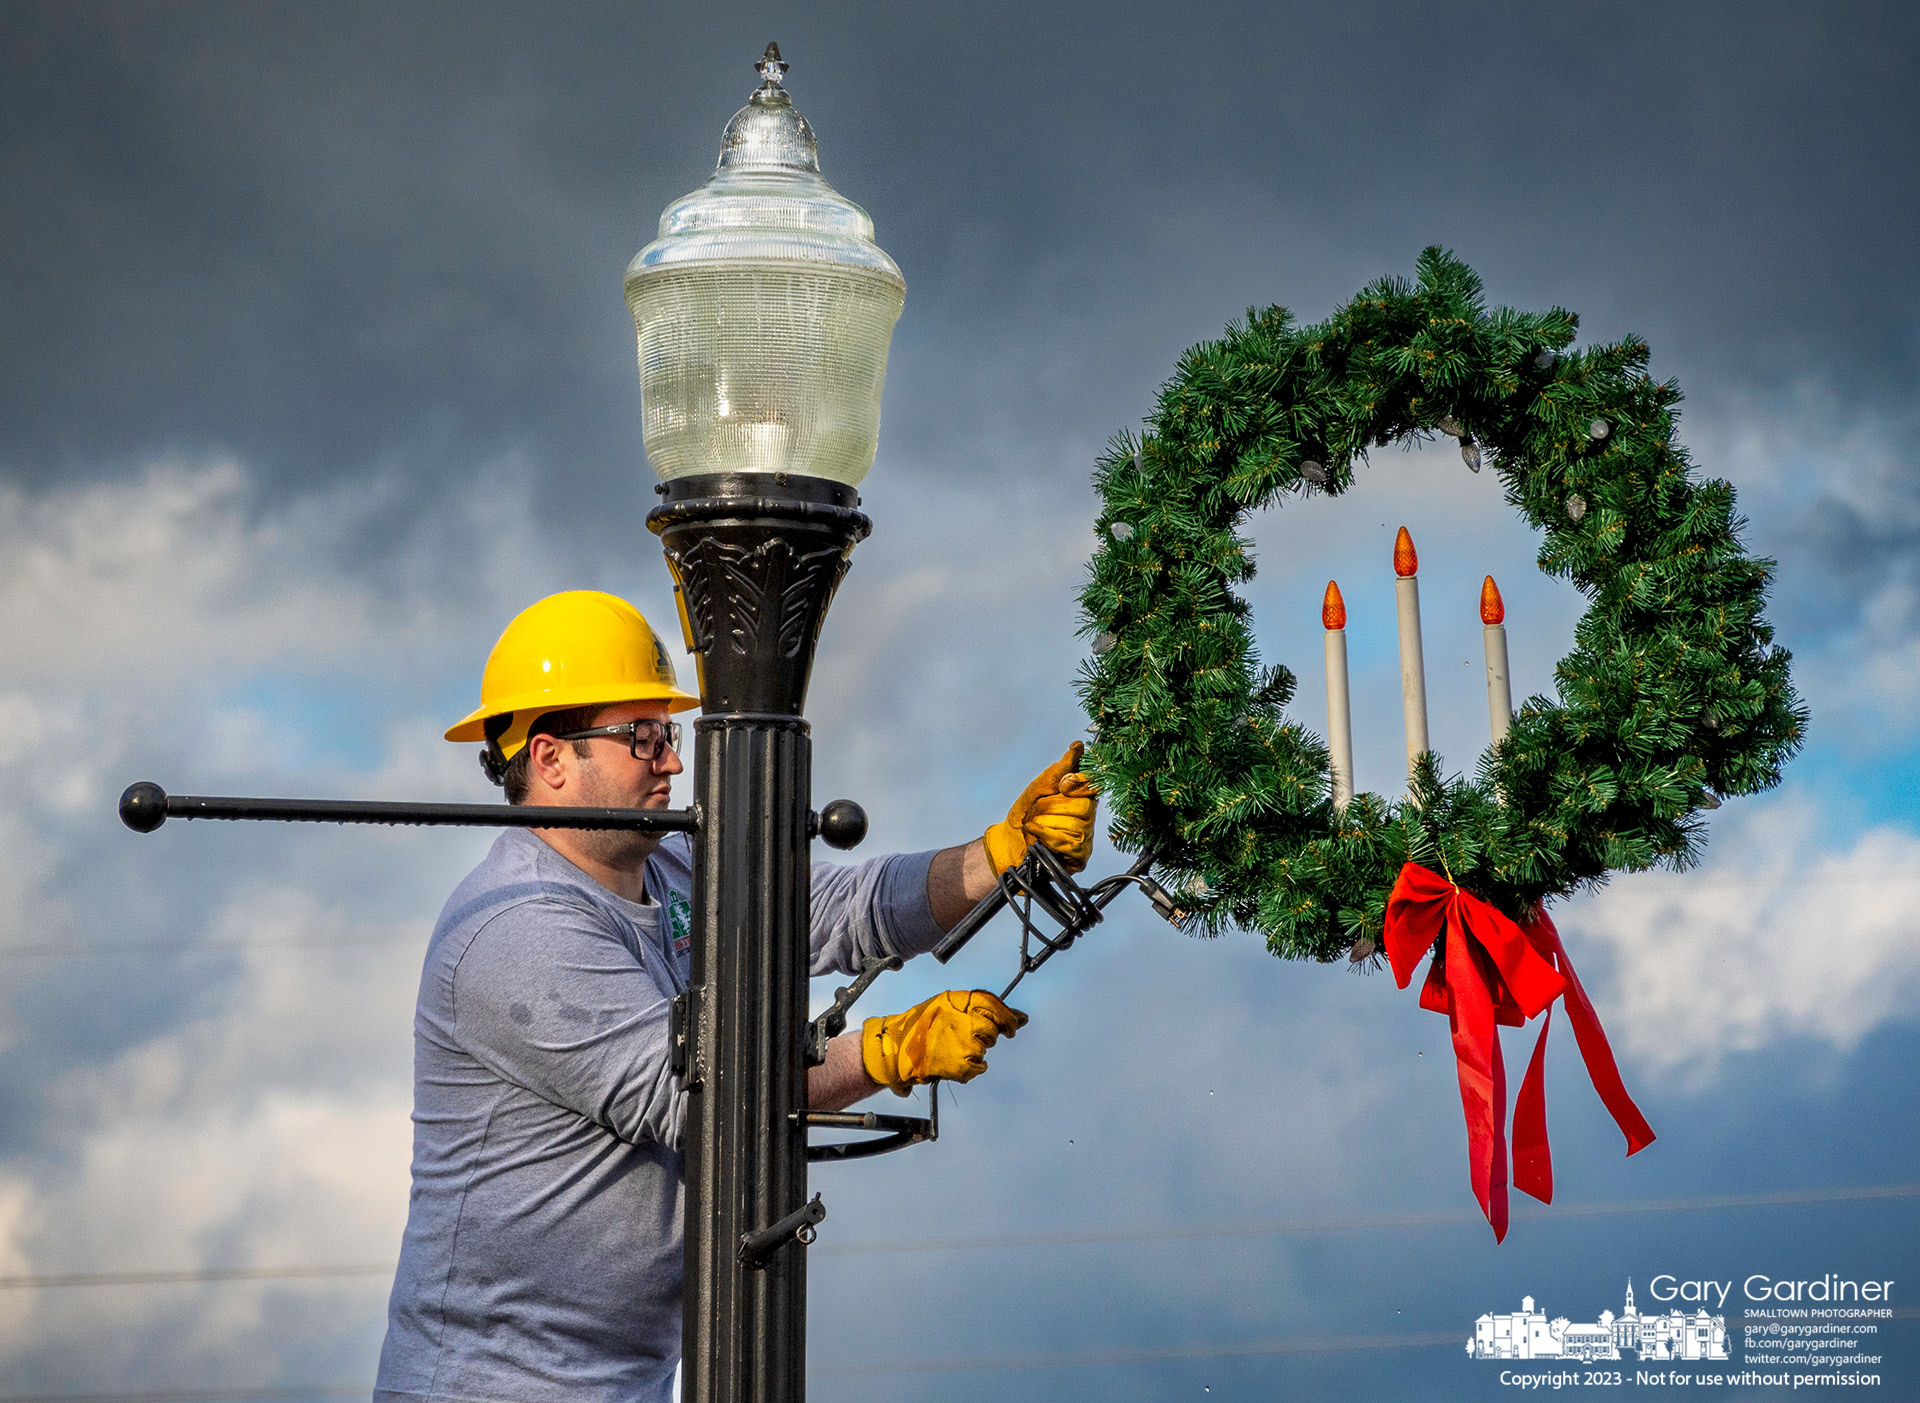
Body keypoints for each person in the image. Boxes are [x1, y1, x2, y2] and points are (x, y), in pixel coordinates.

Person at [373, 590, 1097, 1403]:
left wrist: (993, 858)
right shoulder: (514, 928)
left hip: (627, 1384)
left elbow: (831, 909)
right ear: (550, 758)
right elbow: (697, 1094)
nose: (673, 763)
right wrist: (886, 1051)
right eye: (643, 737)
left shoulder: (677, 868)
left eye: (669, 735)